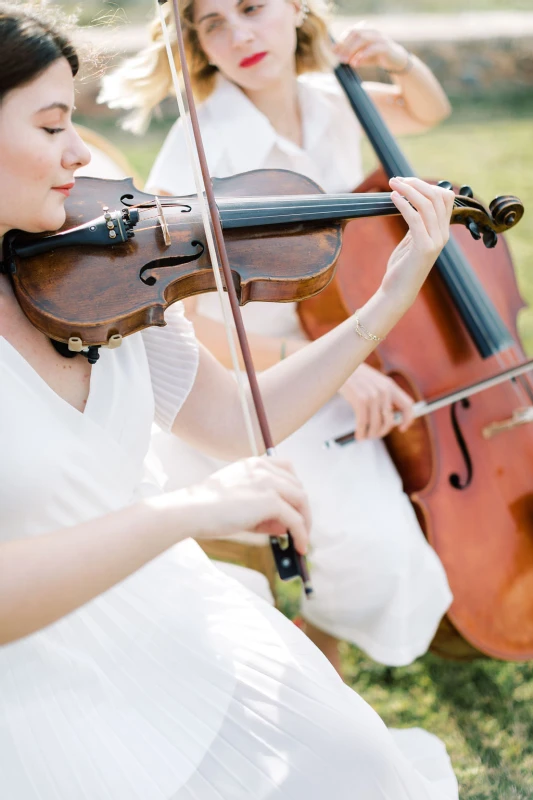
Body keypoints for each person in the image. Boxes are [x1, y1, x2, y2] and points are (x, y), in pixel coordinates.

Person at [0, 5, 462, 799]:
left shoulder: (93, 273)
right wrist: (191, 511)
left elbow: (233, 420)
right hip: (39, 697)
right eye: (50, 129)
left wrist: (379, 307)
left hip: (169, 623)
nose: (81, 153)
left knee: (357, 767)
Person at [101, 0, 453, 673]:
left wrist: (400, 60)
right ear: (197, 45)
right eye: (212, 24)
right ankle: (315, 627)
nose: (237, 34)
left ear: (295, 8)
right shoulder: (198, 146)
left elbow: (424, 110)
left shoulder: (329, 99)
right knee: (375, 552)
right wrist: (335, 367)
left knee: (383, 542)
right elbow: (188, 321)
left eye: (252, 8)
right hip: (260, 373)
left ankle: (323, 631)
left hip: (345, 336)